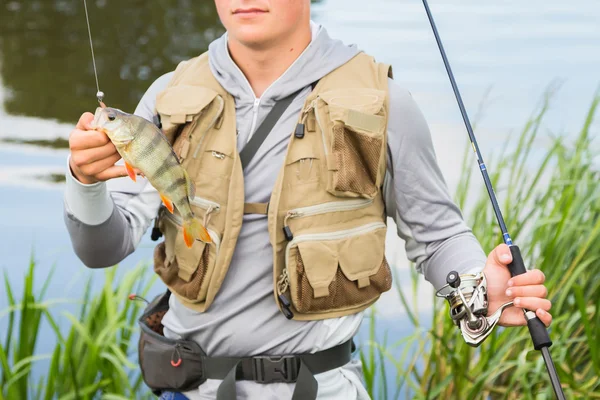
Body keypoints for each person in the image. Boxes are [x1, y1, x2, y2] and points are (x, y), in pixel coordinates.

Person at [64, 1, 552, 399]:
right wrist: (84, 181)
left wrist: (477, 285)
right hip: (188, 390)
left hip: (323, 389)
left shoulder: (383, 100)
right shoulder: (165, 99)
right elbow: (101, 249)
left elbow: (437, 234)